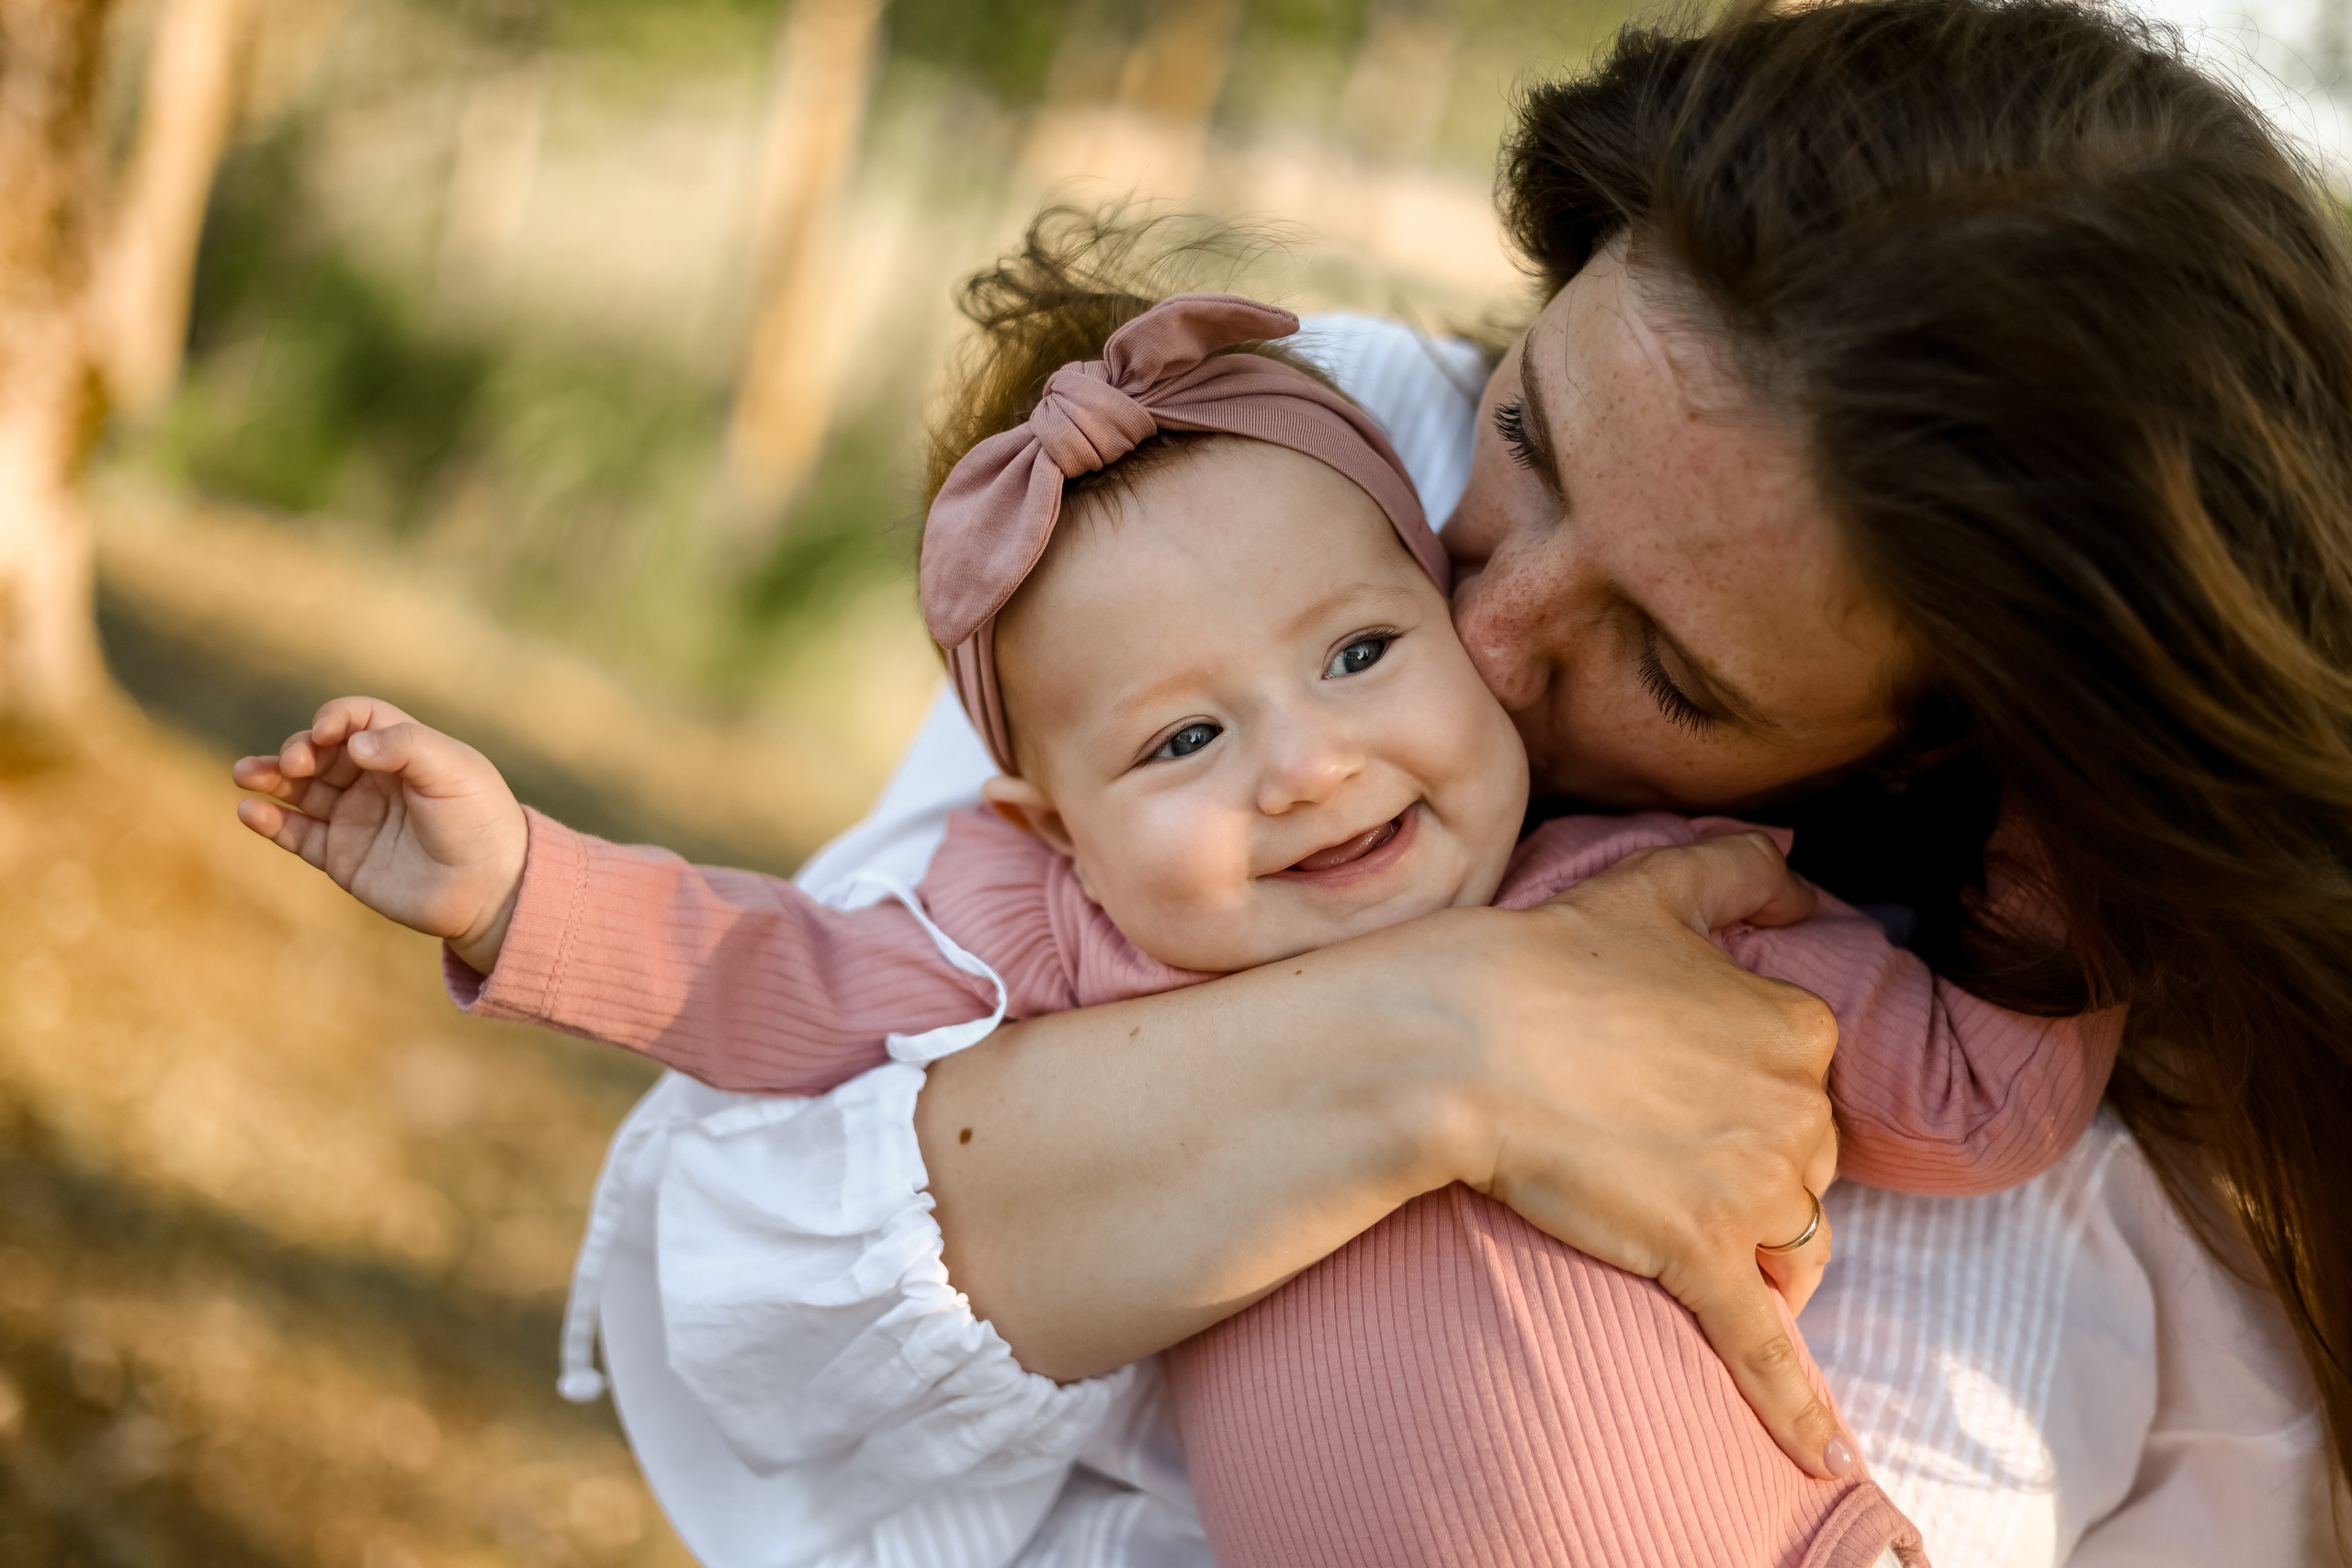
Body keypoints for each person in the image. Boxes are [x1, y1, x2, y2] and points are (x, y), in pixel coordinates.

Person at [244, 0, 2349, 1561]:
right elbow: (736, 1249)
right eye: (1529, 435)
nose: (1478, 642)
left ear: (1957, 752)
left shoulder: (2126, 1200)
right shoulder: (1284, 473)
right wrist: (1447, 1032)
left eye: (1672, 663)